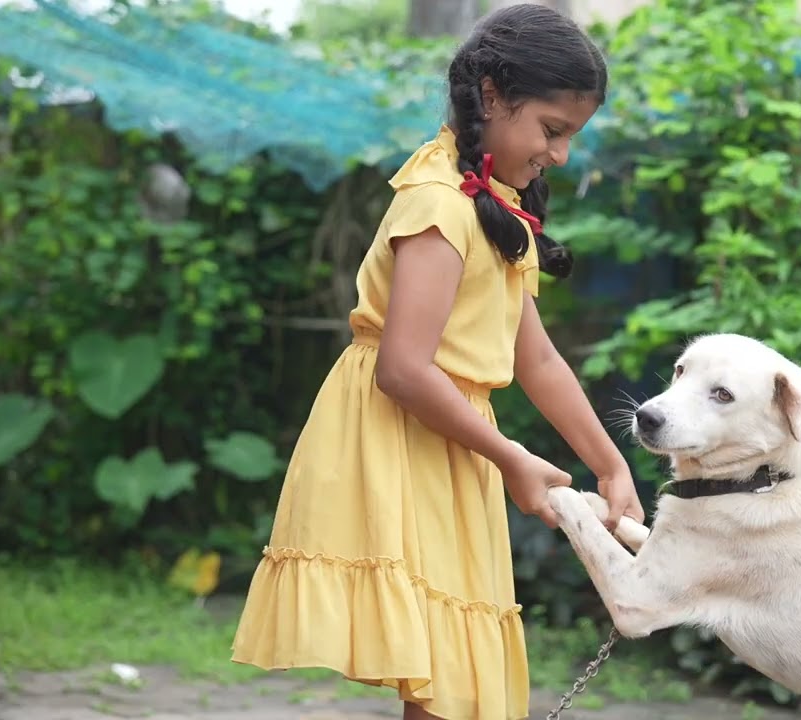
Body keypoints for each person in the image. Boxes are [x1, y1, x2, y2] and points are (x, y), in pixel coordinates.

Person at [229, 5, 644, 719]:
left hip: (454, 440)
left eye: (572, 136)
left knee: (455, 672)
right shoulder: (437, 204)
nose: (562, 155)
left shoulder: (496, 211)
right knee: (445, 670)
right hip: (400, 436)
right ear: (491, 96)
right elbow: (403, 369)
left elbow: (536, 357)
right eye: (552, 130)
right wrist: (511, 456)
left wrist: (610, 464)